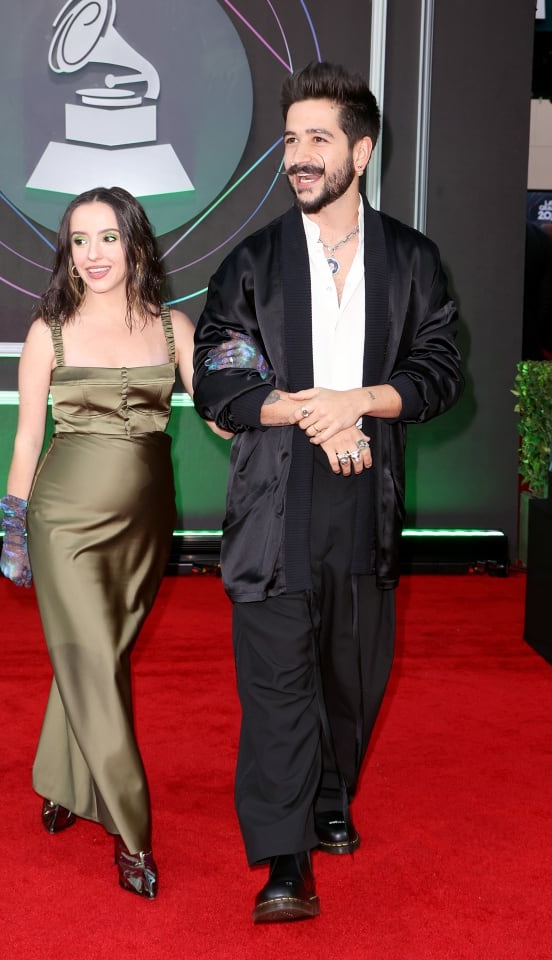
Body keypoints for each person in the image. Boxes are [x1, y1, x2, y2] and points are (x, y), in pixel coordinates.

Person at [192, 62, 463, 923]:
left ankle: (330, 793)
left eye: (318, 139)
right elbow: (220, 377)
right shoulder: (252, 263)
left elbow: (440, 372)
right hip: (276, 501)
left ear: (362, 149)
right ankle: (284, 862)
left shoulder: (413, 260)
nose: (299, 156)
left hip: (366, 498)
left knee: (351, 675)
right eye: (291, 140)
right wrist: (313, 414)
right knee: (276, 682)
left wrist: (361, 403)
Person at [0, 185, 229, 899]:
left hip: (146, 524)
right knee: (94, 663)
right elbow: (29, 437)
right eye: (78, 240)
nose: (93, 254)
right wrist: (14, 527)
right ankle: (132, 836)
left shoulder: (174, 328)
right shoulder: (50, 331)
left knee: (100, 654)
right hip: (64, 521)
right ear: (66, 252)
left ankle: (63, 779)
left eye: (107, 238)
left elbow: (221, 419)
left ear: (134, 243)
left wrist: (271, 402)